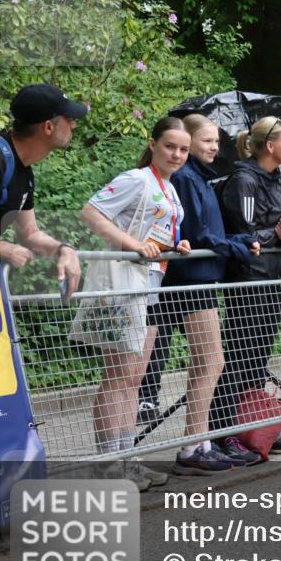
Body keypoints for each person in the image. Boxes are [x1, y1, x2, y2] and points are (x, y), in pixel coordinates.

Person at [138, 114, 262, 474]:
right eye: (207, 141)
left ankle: (201, 441)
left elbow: (207, 232)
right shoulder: (189, 180)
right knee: (208, 362)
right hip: (190, 280)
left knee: (206, 362)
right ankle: (194, 445)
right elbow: (196, 235)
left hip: (198, 278)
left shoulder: (200, 180)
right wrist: (237, 248)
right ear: (188, 141)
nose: (215, 147)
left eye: (217, 141)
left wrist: (239, 241)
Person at [78, 116, 192, 490]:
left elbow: (154, 233)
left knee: (133, 377)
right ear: (154, 144)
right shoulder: (136, 178)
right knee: (118, 375)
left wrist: (175, 245)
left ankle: (127, 461)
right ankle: (108, 466)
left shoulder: (170, 189)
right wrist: (131, 245)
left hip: (150, 283)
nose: (176, 154)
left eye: (183, 149)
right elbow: (91, 213)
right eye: (170, 146)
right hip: (124, 284)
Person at [210, 116, 281, 461]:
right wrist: (278, 235)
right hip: (247, 279)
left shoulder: (279, 177)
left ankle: (256, 426)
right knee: (239, 357)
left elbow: (279, 226)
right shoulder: (243, 180)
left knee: (258, 359)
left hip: (272, 277)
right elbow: (244, 234)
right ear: (270, 146)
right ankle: (222, 434)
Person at [0, 84, 83, 296]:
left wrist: (64, 249)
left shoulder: (21, 169)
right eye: (69, 119)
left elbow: (30, 233)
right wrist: (4, 248)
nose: (74, 125)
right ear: (48, 127)